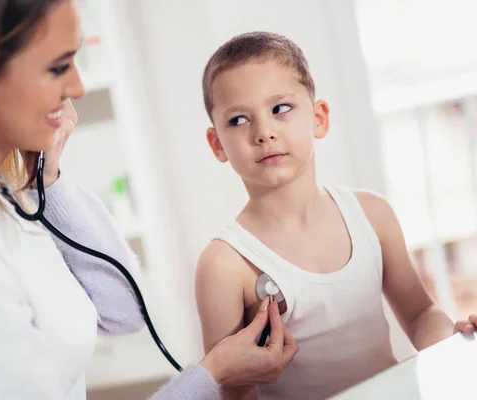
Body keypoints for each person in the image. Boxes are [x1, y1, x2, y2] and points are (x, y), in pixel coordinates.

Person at [0, 2, 297, 400]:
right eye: (59, 66)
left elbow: (121, 312)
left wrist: (49, 177)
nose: (76, 86)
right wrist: (213, 375)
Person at [195, 31, 477, 400]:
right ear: (217, 144)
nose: (264, 132)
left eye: (280, 109)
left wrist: (452, 345)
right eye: (238, 120)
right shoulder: (224, 265)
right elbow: (231, 390)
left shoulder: (372, 214)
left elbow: (421, 314)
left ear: (319, 118)